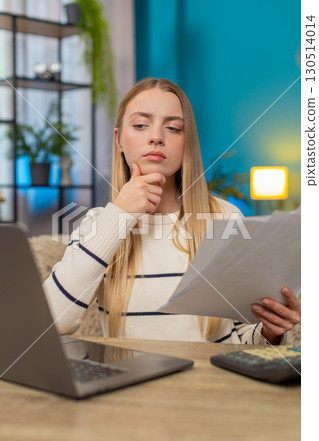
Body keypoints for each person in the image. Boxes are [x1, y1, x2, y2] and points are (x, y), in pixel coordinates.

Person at [43, 77, 301, 345]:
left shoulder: (226, 218)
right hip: (132, 383)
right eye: (141, 125)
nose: (156, 137)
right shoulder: (99, 223)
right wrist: (119, 215)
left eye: (173, 128)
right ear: (119, 140)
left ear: (186, 142)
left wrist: (270, 332)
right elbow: (51, 321)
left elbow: (239, 341)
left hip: (212, 384)